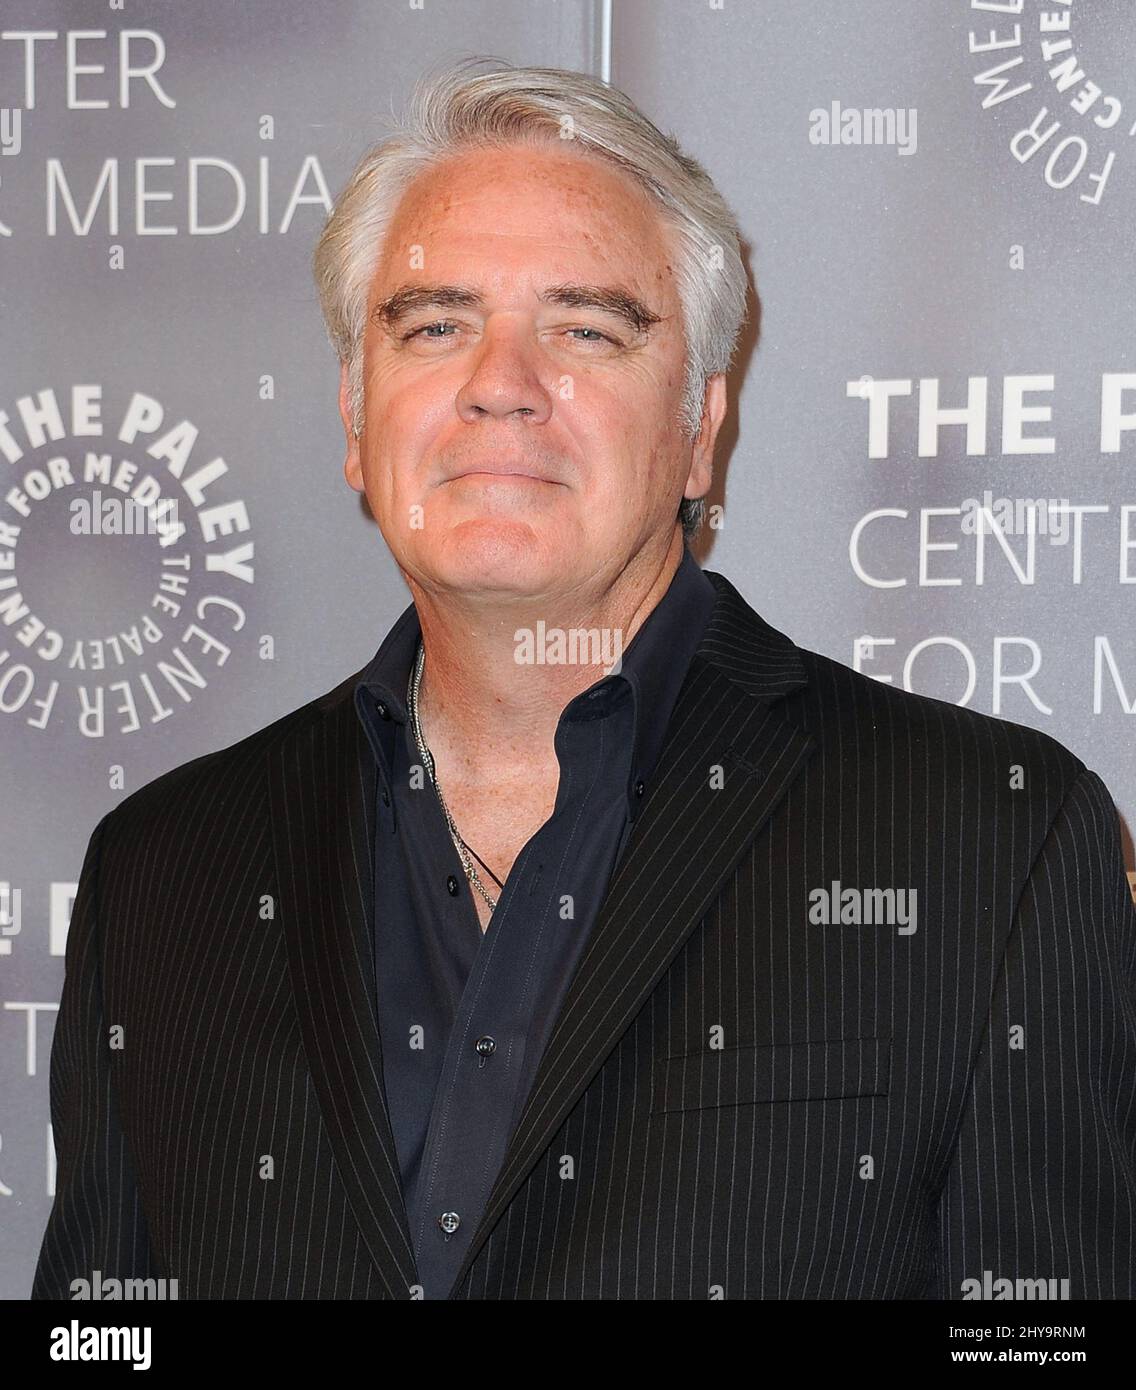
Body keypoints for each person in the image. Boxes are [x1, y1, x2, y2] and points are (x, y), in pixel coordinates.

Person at [32, 58, 1136, 1301]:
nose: (500, 385)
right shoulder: (164, 868)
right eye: (435, 326)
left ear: (697, 428)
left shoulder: (992, 835)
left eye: (584, 330)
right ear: (354, 414)